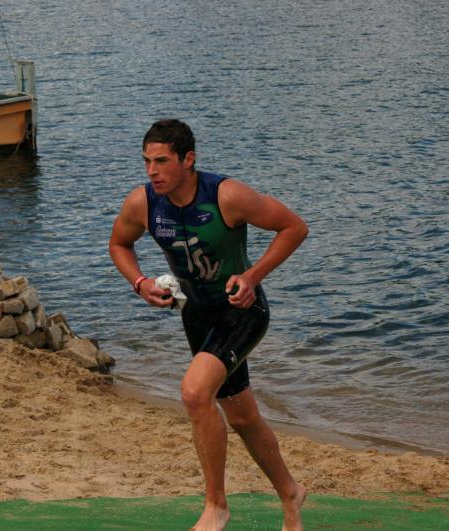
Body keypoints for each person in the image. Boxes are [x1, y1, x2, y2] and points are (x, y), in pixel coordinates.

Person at [109, 119, 308, 531]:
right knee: (241, 416)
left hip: (241, 311)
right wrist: (140, 283)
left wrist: (252, 277)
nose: (152, 171)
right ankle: (291, 494)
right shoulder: (143, 203)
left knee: (195, 393)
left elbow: (294, 227)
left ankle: (216, 506)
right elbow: (119, 244)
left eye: (162, 161)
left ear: (188, 159)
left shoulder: (226, 195)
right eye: (147, 161)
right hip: (197, 316)